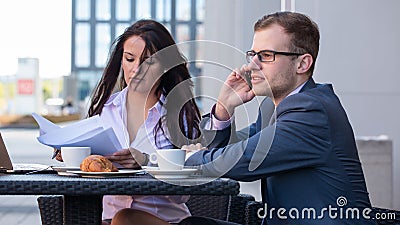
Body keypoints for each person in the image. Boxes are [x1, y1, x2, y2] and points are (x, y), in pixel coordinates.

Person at [181, 12, 376, 225]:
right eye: (253, 54)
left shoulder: (312, 111)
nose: (251, 65)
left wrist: (193, 159)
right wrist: (223, 109)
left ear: (302, 64)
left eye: (265, 55)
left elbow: (245, 160)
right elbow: (234, 148)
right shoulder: (272, 107)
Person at [55, 19, 202, 225]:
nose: (136, 70)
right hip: (109, 220)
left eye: (149, 62)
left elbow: (183, 194)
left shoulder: (178, 114)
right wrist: (76, 156)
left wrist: (146, 162)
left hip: (165, 220)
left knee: (125, 219)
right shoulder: (104, 110)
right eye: (130, 59)